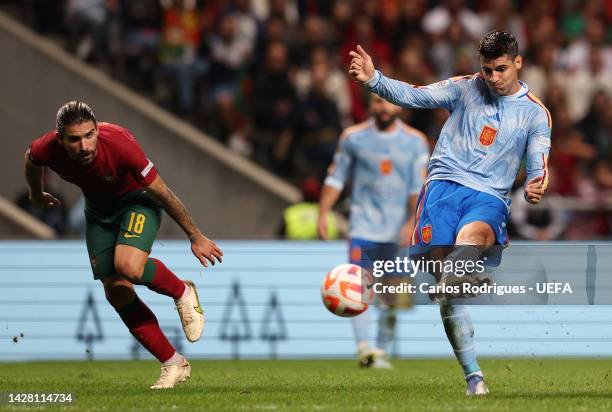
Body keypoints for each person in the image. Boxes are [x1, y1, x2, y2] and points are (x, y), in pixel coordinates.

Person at [348, 31, 551, 395]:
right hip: (441, 188)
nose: (493, 78)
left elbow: (538, 157)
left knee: (467, 246)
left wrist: (536, 181)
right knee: (447, 293)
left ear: (518, 62)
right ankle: (473, 375)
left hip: (489, 194)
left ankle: (463, 271)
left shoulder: (536, 113)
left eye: (501, 69)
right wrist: (374, 80)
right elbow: (415, 95)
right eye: (487, 70)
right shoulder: (464, 87)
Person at [24, 101, 223, 389]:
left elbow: (164, 193)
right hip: (98, 213)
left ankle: (181, 290)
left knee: (127, 266)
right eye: (75, 139)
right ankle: (173, 363)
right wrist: (35, 192)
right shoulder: (47, 148)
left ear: (97, 130)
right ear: (60, 139)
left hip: (137, 203)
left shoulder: (119, 144)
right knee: (117, 292)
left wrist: (195, 235)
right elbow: (31, 159)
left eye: (89, 135)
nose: (84, 146)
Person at [318, 94, 430, 369]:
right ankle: (364, 350)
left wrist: (411, 223)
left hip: (398, 231)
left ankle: (381, 350)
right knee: (359, 289)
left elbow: (419, 185)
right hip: (363, 227)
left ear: (399, 105)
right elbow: (336, 176)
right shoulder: (353, 137)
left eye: (389, 102)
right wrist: (323, 212)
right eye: (378, 102)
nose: (384, 108)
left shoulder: (415, 141)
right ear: (370, 105)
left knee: (392, 295)